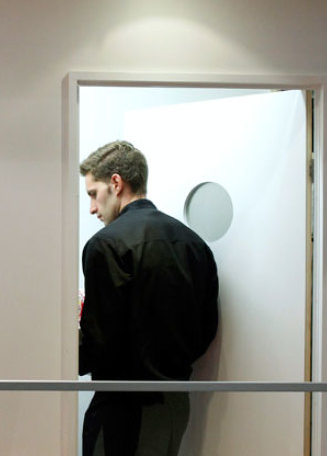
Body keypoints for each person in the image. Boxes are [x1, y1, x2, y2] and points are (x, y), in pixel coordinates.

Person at [78, 140, 219, 456]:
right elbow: (207, 328)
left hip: (122, 407)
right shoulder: (193, 244)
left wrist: (73, 347)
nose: (91, 208)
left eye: (92, 193)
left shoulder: (105, 245)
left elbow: (100, 342)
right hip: (175, 403)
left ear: (116, 183)